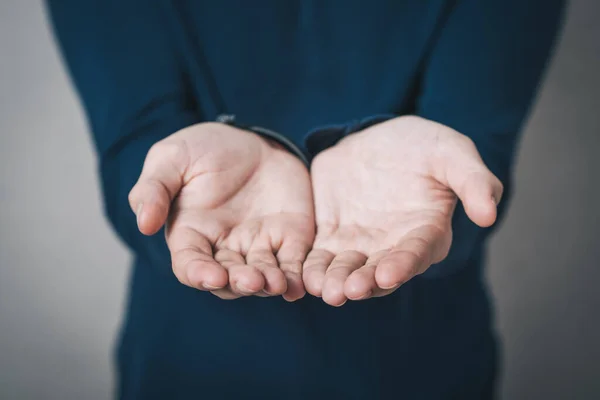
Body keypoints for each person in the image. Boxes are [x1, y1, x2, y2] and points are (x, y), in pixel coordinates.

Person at [47, 1, 565, 399]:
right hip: (194, 363)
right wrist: (174, 189)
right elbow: (135, 153)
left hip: (416, 361)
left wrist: (445, 198)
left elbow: (475, 161)